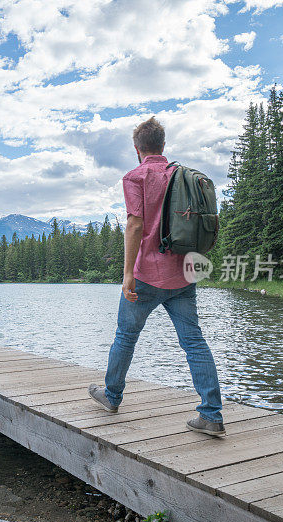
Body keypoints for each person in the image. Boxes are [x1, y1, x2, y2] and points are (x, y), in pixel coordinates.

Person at [87, 117, 225, 437]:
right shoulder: (182, 175)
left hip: (148, 275)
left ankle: (111, 396)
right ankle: (212, 414)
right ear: (163, 146)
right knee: (194, 342)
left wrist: (127, 275)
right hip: (182, 275)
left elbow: (135, 225)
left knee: (125, 336)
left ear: (137, 149)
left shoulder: (136, 176)